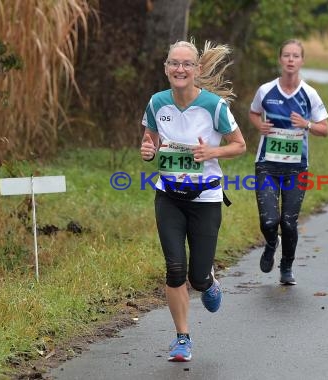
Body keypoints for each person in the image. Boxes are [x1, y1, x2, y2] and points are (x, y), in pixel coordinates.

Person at [140, 39, 246, 362]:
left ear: (197, 70)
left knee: (197, 277)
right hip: (168, 196)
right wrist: (148, 152)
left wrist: (212, 152)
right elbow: (150, 143)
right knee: (175, 269)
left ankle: (208, 279)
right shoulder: (157, 103)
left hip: (206, 198)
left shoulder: (214, 106)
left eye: (187, 64)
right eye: (174, 63)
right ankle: (182, 338)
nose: (180, 69)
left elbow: (239, 145)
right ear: (166, 68)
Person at [249, 39, 328, 285]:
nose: (291, 60)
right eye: (286, 55)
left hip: (296, 168)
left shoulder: (309, 94)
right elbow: (253, 112)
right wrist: (259, 125)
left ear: (302, 61)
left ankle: (286, 266)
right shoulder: (266, 90)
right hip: (267, 165)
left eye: (296, 56)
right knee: (269, 220)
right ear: (280, 59)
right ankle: (272, 243)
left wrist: (306, 124)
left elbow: (324, 129)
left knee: (289, 222)